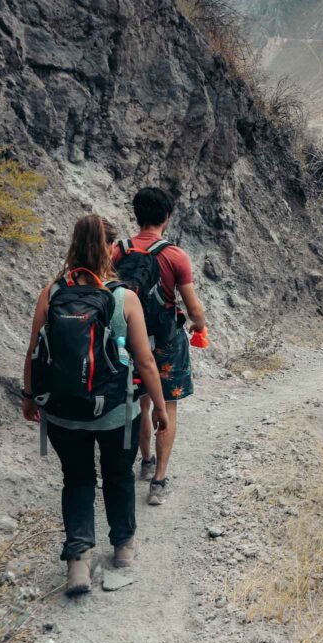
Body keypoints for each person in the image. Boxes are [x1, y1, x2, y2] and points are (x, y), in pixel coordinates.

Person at [22, 215, 170, 595]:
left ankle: (78, 563)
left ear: (72, 244)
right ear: (109, 249)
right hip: (115, 414)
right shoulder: (123, 297)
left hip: (62, 411)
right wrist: (160, 407)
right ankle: (122, 549)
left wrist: (29, 397)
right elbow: (145, 361)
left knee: (77, 478)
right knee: (118, 476)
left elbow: (34, 350)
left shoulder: (52, 293)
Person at [112, 187, 206, 505]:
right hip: (166, 343)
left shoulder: (117, 250)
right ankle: (159, 480)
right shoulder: (175, 255)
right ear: (166, 217)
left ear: (136, 215)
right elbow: (194, 309)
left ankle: (146, 460)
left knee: (141, 403)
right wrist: (199, 326)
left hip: (128, 341)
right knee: (168, 405)